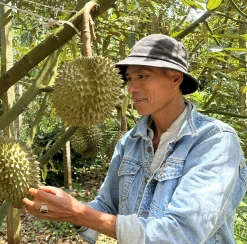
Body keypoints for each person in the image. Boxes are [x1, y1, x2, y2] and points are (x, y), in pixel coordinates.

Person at [21, 34, 247, 243]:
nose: (131, 88)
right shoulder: (130, 141)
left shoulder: (215, 141)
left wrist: (80, 213)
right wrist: (60, 207)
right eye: (129, 78)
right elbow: (107, 205)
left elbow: (181, 233)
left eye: (142, 76)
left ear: (176, 78)